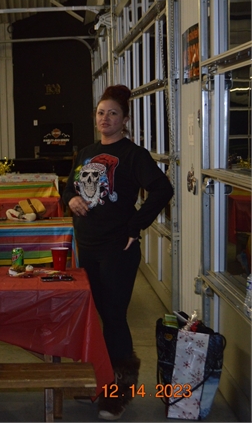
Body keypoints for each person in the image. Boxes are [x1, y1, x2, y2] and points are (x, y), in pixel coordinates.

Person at [62, 84, 174, 421]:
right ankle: (100, 381)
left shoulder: (134, 155)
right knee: (95, 317)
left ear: (125, 119)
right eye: (101, 112)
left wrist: (134, 226)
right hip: (87, 245)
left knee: (113, 318)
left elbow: (162, 189)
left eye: (113, 113)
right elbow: (68, 186)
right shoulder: (86, 152)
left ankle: (119, 393)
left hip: (117, 249)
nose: (105, 118)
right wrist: (71, 198)